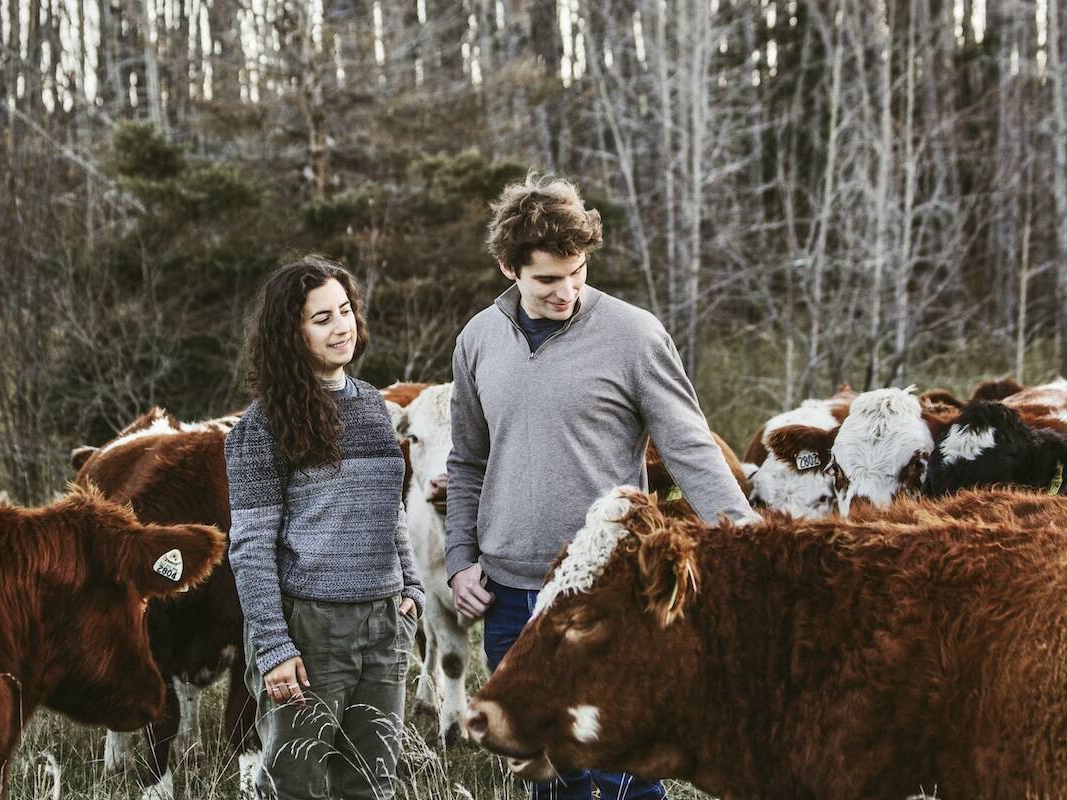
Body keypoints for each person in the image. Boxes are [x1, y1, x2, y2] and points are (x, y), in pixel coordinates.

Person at [446, 174, 754, 800]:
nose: (567, 292)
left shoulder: (635, 336)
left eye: (578, 273)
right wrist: (460, 560)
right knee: (548, 773)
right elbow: (467, 462)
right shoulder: (477, 340)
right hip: (510, 595)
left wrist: (747, 541)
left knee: (625, 773)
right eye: (548, 280)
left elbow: (689, 445)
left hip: (607, 592)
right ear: (510, 267)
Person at [225, 256, 424, 800]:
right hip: (310, 630)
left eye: (345, 312)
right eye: (321, 318)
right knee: (296, 786)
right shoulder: (260, 428)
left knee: (371, 785)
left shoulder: (374, 409)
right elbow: (249, 548)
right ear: (291, 333)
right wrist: (273, 647)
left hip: (384, 626)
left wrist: (411, 588)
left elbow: (392, 510)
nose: (342, 327)